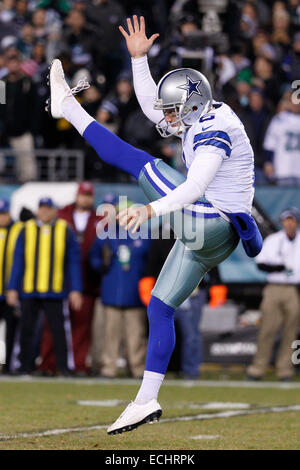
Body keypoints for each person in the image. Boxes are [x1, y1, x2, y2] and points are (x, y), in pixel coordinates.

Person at [46, 15, 261, 434]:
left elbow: (195, 185)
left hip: (212, 221)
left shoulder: (216, 128)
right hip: (213, 236)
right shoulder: (199, 115)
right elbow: (151, 107)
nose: (166, 117)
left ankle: (68, 108)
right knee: (159, 306)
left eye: (173, 110)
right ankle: (146, 400)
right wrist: (140, 61)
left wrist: (150, 210)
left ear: (193, 106)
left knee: (141, 161)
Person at [6, 197, 82, 375]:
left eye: (49, 208)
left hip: (55, 290)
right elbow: (18, 261)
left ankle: (63, 368)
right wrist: (12, 288)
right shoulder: (27, 229)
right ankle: (24, 366)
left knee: (59, 331)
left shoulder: (64, 229)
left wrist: (76, 289)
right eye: (42, 208)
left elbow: (73, 263)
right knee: (26, 330)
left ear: (55, 211)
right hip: (29, 290)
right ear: (38, 210)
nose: (45, 211)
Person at [39, 182, 103, 375]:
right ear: (77, 195)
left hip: (88, 281)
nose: (85, 198)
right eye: (83, 195)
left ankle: (78, 363)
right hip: (59, 280)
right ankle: (49, 364)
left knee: (82, 326)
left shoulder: (99, 218)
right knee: (53, 325)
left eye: (88, 195)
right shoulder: (62, 215)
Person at [89, 200, 150, 379]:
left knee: (136, 336)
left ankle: (137, 368)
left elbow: (151, 261)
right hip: (112, 291)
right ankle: (108, 368)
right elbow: (93, 257)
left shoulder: (144, 235)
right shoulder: (106, 235)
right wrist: (102, 265)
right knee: (110, 335)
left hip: (135, 293)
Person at [247, 207, 300, 381]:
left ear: (296, 222)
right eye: (286, 220)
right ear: (283, 222)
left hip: (293, 289)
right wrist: (280, 266)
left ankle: (285, 370)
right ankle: (258, 369)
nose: (289, 223)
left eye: (292, 220)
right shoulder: (274, 240)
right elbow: (260, 264)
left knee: (290, 331)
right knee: (267, 329)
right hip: (274, 288)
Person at [0, 198, 23, 374]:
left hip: (9, 291)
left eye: (4, 214)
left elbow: (19, 262)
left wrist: (13, 287)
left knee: (12, 331)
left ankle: (9, 365)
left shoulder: (19, 230)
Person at [263, 98, 300, 185]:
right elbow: (270, 143)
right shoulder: (279, 119)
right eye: (294, 102)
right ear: (289, 103)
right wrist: (268, 162)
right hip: (283, 168)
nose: (296, 105)